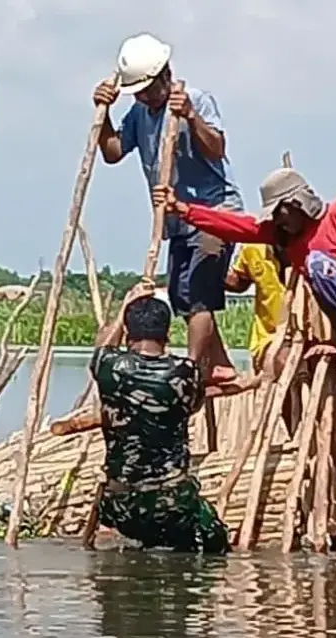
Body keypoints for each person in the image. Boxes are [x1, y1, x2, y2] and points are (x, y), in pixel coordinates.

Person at [151, 168, 336, 537]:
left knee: (318, 266)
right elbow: (237, 227)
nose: (277, 221)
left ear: (297, 205)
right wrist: (185, 210)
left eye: (281, 212)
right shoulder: (283, 236)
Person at [92, 32, 245, 395]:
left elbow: (215, 149)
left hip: (213, 212)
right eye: (138, 92)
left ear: (165, 75)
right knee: (180, 296)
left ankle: (191, 372)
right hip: (175, 220)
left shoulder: (196, 100)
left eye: (148, 90)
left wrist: (190, 117)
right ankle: (219, 365)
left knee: (200, 293)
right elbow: (113, 152)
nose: (144, 97)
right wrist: (105, 115)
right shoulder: (139, 114)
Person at [88, 282, 230, 554]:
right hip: (172, 506)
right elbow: (203, 318)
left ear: (128, 332)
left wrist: (125, 307)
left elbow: (102, 348)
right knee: (214, 538)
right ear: (167, 333)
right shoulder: (184, 373)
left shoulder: (109, 367)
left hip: (121, 506)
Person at [224, 243, 286, 381]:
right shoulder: (253, 247)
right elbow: (239, 282)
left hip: (304, 336)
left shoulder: (314, 245)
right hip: (267, 338)